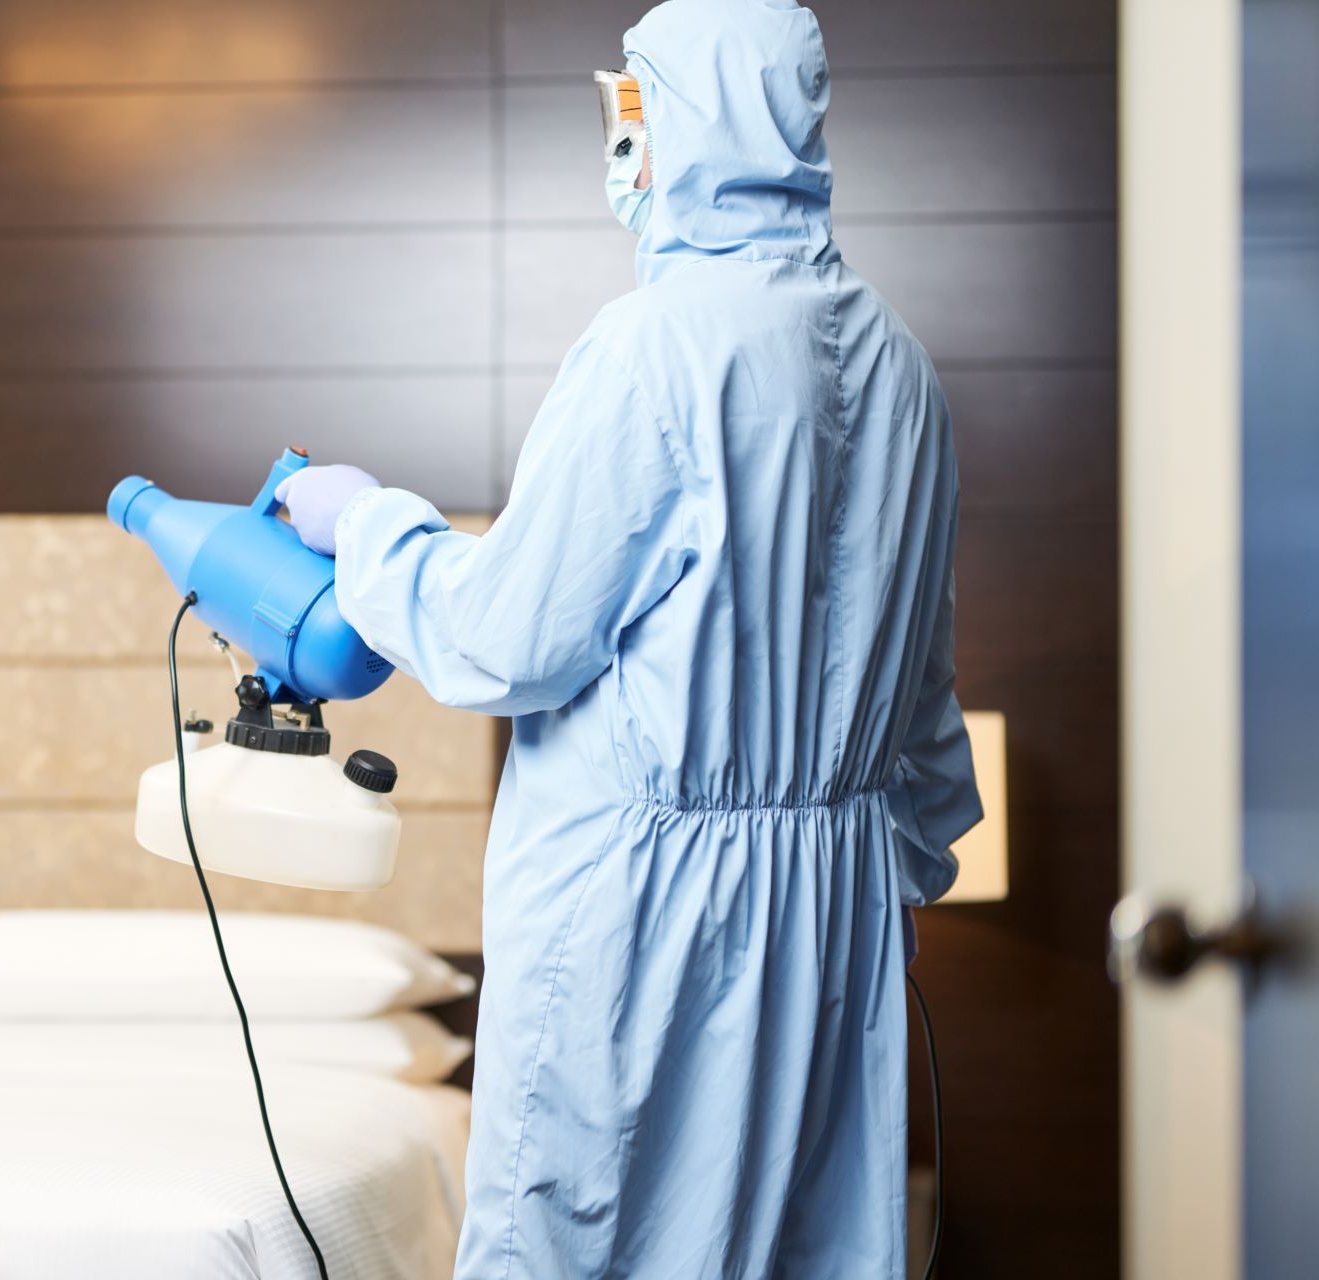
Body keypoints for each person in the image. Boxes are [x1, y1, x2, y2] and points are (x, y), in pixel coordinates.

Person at [277, 1, 980, 1275]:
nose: (622, 150)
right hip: (833, 932)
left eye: (633, 116)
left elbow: (502, 640)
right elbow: (923, 704)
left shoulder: (653, 350)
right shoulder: (905, 369)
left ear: (692, 121)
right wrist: (853, 868)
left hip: (644, 926)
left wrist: (368, 523)